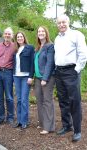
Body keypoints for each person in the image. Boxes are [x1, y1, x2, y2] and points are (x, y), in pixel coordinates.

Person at [54, 14, 87, 142]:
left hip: (71, 71)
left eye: (64, 22)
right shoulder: (57, 38)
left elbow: (83, 53)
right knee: (63, 101)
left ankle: (77, 131)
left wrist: (77, 69)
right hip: (59, 72)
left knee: (74, 101)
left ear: (68, 22)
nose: (61, 25)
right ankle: (67, 125)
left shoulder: (76, 35)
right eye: (59, 23)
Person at [0, 27, 15, 125]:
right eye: (6, 33)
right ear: (3, 35)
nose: (7, 35)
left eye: (9, 34)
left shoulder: (14, 46)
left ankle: (10, 117)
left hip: (8, 73)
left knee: (9, 96)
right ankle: (0, 118)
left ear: (12, 35)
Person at [34, 26, 55, 134]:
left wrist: (45, 78)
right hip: (37, 78)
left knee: (47, 101)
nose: (40, 33)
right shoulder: (38, 47)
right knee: (39, 101)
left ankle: (49, 127)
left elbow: (50, 63)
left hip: (47, 78)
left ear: (46, 33)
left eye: (42, 31)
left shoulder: (50, 46)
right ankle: (42, 123)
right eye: (39, 31)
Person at [13, 31, 34, 129]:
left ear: (24, 37)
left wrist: (31, 76)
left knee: (24, 99)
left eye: (21, 36)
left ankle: (24, 121)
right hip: (16, 76)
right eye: (18, 37)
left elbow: (32, 63)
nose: (19, 38)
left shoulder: (30, 48)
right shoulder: (15, 49)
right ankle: (19, 121)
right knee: (19, 99)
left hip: (26, 76)